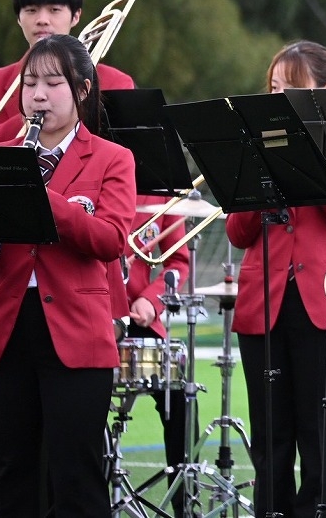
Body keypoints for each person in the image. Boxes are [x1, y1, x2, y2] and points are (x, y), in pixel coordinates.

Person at [0, 34, 136, 516]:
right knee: (9, 473)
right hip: (5, 326)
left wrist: (41, 197)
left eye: (53, 83)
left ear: (82, 90)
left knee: (76, 476)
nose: (38, 95)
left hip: (77, 331)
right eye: (29, 83)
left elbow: (111, 240)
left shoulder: (112, 158)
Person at [224, 40, 326, 518]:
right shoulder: (254, 143)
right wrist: (260, 177)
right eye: (274, 88)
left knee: (319, 433)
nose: (278, 97)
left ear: (322, 91)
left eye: (292, 88)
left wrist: (313, 158)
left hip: (322, 301)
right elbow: (238, 233)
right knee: (270, 437)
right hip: (262, 304)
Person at [0, 0, 135, 146]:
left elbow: (125, 149)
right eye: (31, 10)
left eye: (54, 10)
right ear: (18, 18)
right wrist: (31, 114)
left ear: (76, 15)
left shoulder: (116, 83)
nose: (42, 20)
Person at [121, 196, 193, 517]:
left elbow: (178, 262)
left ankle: (184, 505)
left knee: (180, 399)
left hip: (138, 317)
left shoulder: (162, 194)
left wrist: (152, 300)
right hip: (84, 314)